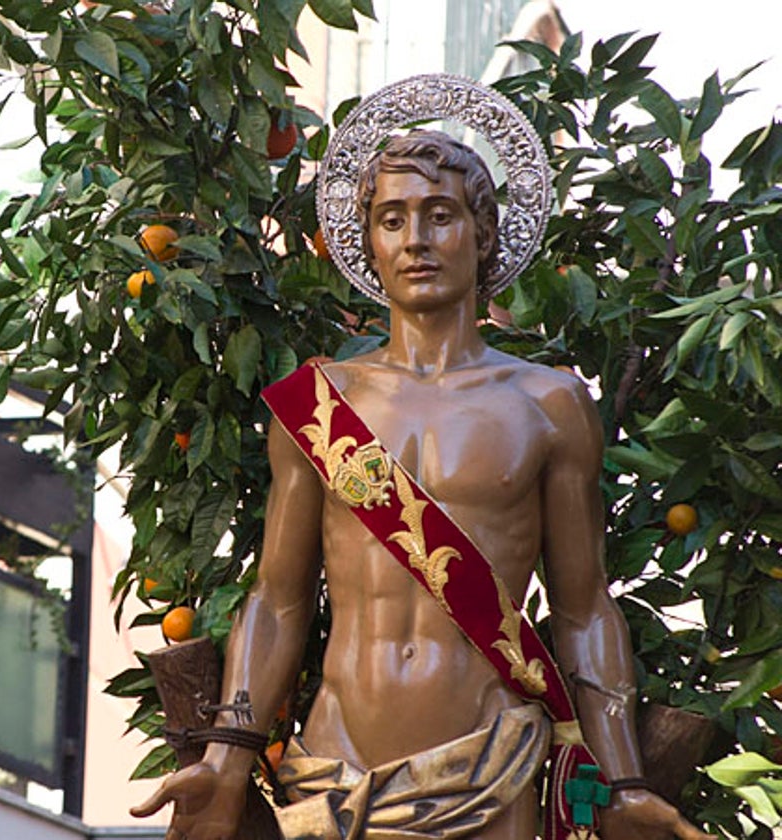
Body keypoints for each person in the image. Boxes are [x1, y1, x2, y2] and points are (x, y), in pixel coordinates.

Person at [132, 126, 712, 839]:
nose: (417, 238)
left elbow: (584, 609)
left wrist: (622, 781)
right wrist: (227, 760)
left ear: (484, 231)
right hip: (333, 769)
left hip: (489, 765)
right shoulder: (320, 403)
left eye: (441, 214)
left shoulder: (548, 406)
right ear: (369, 243)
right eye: (392, 218)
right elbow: (277, 602)